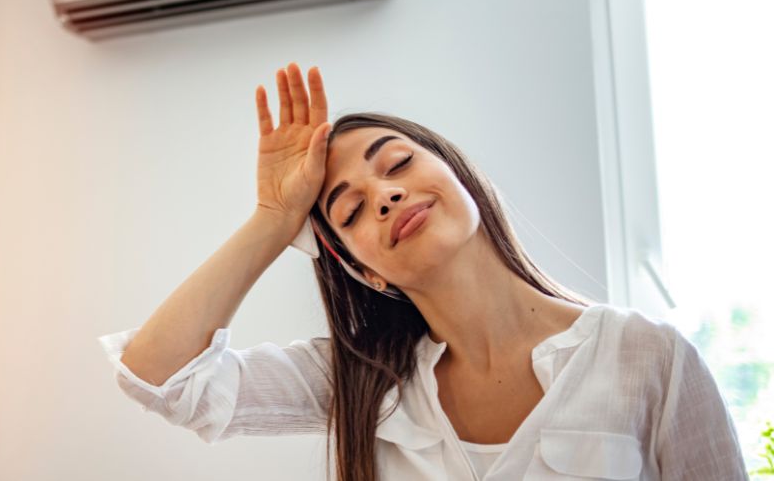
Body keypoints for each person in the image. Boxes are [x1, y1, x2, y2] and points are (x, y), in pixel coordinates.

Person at [98, 63, 747, 480]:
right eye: (350, 210)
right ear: (364, 272)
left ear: (461, 176)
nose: (382, 194)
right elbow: (158, 374)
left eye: (399, 164)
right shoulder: (361, 381)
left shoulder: (647, 358)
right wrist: (274, 216)